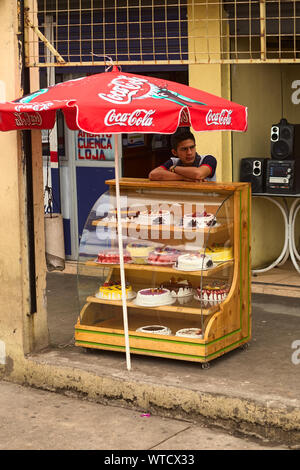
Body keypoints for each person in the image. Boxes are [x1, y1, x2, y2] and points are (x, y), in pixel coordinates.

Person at [148, 130, 217, 182]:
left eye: (192, 147)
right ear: (174, 152)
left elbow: (198, 174)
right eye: (184, 149)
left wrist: (174, 169)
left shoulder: (208, 159)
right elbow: (153, 175)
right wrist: (184, 178)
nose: (189, 152)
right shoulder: (174, 161)